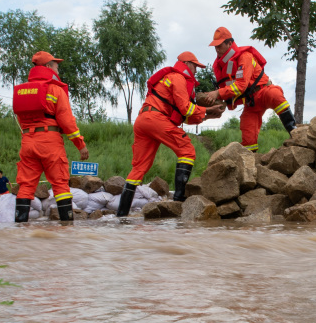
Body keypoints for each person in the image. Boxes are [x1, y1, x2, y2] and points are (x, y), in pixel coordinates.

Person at [116, 52, 224, 217]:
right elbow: (185, 109)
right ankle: (179, 201)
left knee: (139, 168)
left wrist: (208, 115)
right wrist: (209, 109)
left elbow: (182, 116)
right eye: (195, 66)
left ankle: (121, 215)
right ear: (186, 63)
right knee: (187, 150)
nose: (196, 70)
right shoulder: (178, 78)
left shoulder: (169, 78)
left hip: (143, 120)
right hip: (156, 119)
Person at [11, 50, 89, 223]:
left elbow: (20, 118)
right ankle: (66, 228)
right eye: (56, 65)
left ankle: (19, 230)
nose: (57, 69)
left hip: (27, 141)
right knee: (60, 184)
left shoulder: (23, 91)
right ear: (47, 66)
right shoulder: (54, 89)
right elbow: (67, 121)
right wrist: (80, 144)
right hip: (49, 141)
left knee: (26, 186)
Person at [206, 26, 296, 152]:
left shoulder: (245, 56)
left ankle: (295, 133)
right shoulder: (219, 65)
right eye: (215, 46)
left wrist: (217, 93)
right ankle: (250, 164)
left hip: (264, 91)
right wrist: (219, 103)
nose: (216, 49)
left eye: (219, 45)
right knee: (247, 134)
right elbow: (227, 89)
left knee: (275, 95)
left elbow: (241, 85)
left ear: (230, 43)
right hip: (250, 102)